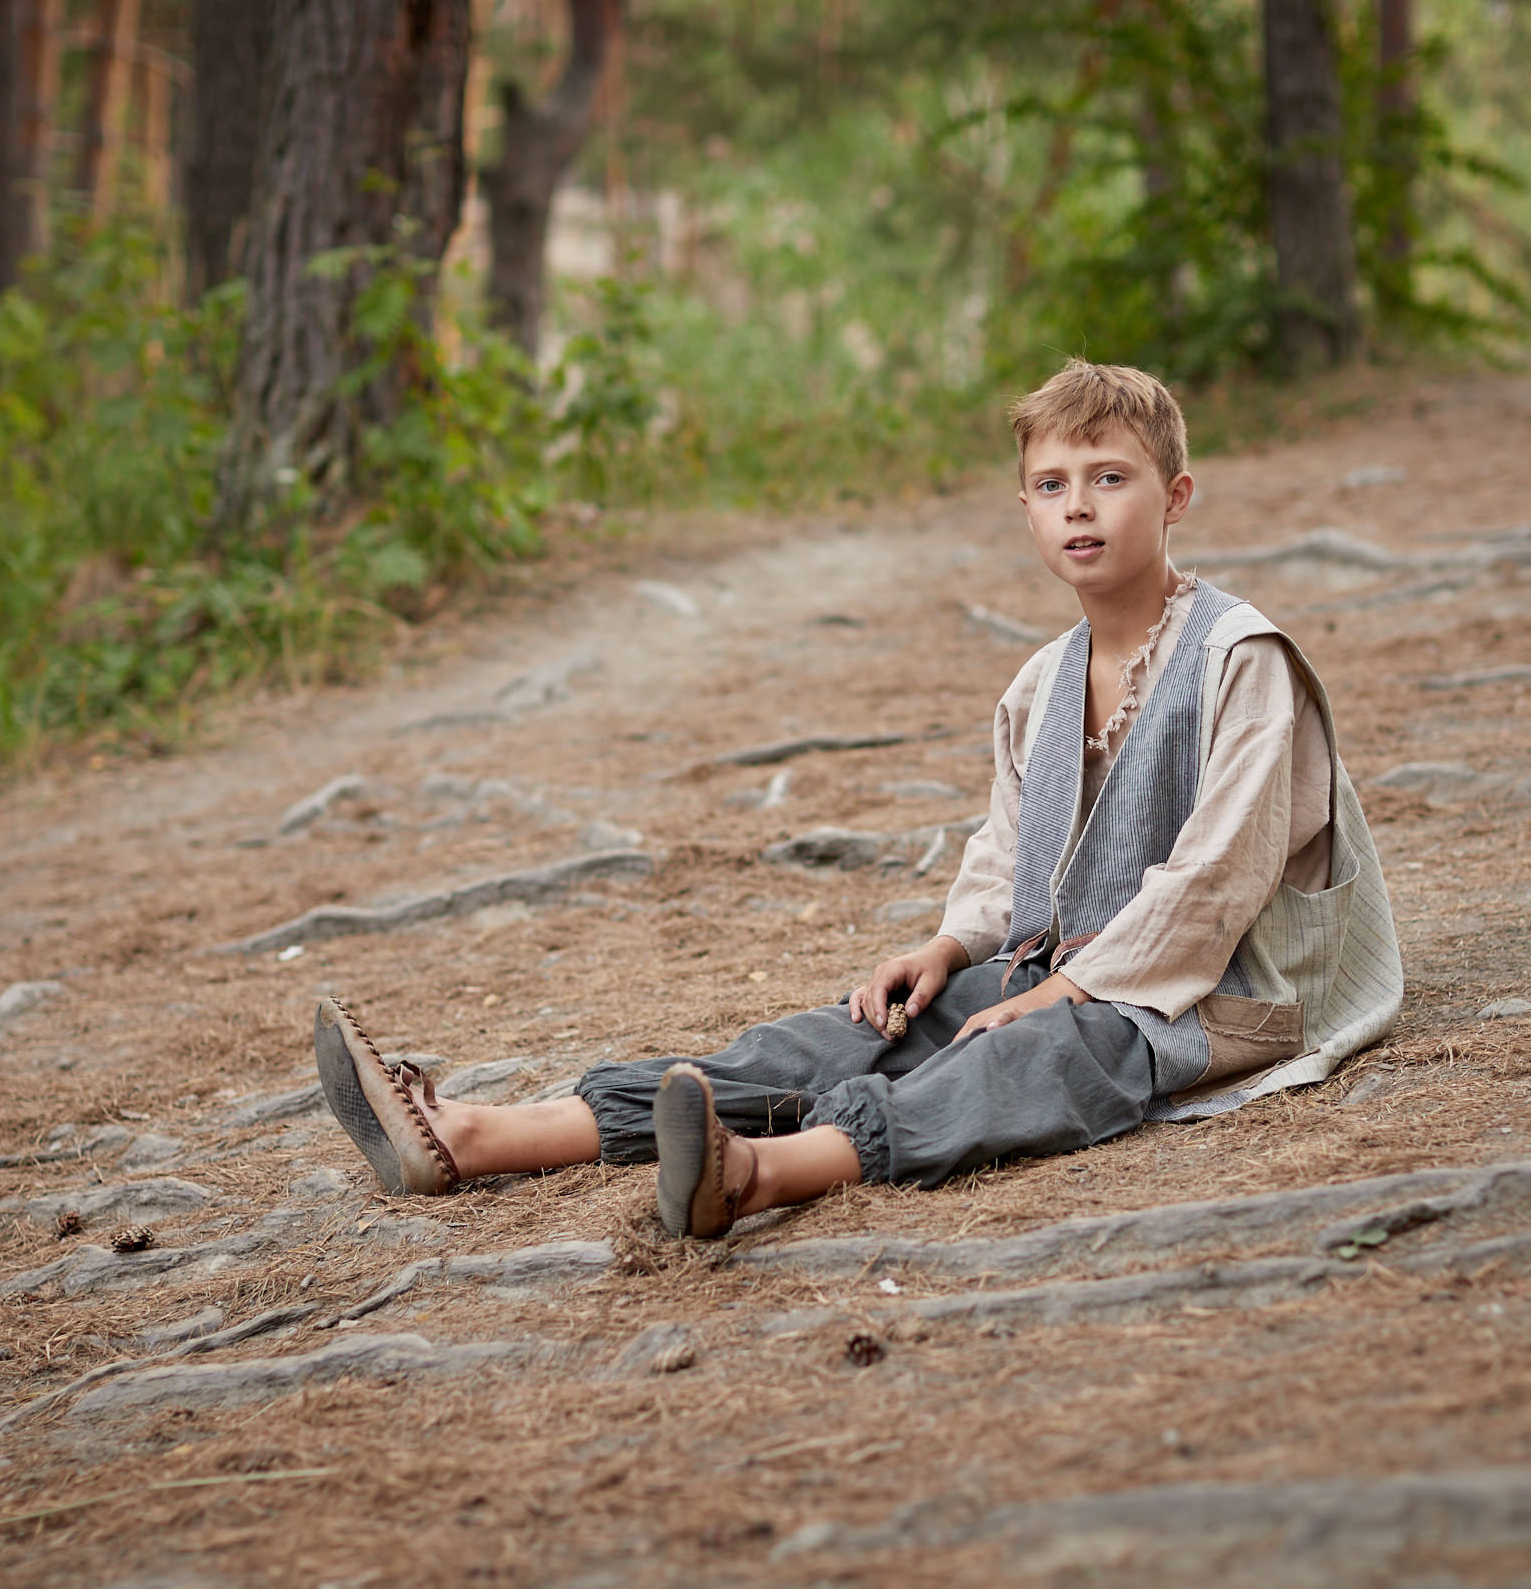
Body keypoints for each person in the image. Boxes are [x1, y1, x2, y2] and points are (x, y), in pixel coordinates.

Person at [315, 359, 1402, 1239]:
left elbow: (1220, 874)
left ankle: (761, 1174)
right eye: (1051, 485)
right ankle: (475, 1132)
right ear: (1023, 509)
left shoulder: (1239, 657)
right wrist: (946, 947)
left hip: (1205, 996)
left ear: (1174, 498)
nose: (1080, 507)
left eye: (1110, 478)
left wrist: (1066, 994)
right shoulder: (1039, 683)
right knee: (836, 1038)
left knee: (1034, 1059)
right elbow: (1004, 853)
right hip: (1058, 966)